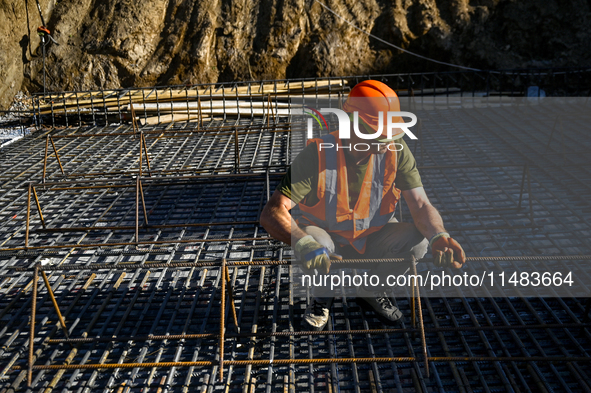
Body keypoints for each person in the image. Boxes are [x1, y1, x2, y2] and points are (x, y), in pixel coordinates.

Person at [260, 80, 466, 331]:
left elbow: (421, 204)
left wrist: (438, 235)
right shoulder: (318, 154)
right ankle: (322, 298)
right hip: (325, 237)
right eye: (378, 133)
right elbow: (273, 211)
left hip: (372, 236)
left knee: (419, 242)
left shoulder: (396, 150)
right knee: (318, 245)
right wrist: (303, 243)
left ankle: (371, 289)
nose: (386, 141)